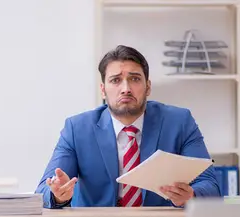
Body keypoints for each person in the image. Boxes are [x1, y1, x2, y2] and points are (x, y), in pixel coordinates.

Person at [36, 45, 221, 208]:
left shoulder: (179, 122)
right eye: (115, 80)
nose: (126, 88)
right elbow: (44, 189)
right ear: (103, 89)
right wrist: (58, 195)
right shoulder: (77, 129)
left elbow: (211, 185)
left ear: (148, 87)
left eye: (134, 79)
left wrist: (191, 195)